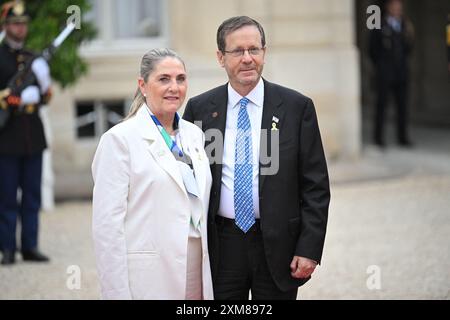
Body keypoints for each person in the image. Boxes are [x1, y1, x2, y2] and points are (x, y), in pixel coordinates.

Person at [183, 16, 330, 300]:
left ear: (264, 52)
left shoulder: (296, 108)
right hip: (221, 246)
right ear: (220, 57)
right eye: (238, 51)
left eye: (255, 49)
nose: (248, 58)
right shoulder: (199, 110)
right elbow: (184, 184)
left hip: (278, 245)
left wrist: (309, 248)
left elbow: (316, 186)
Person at [92, 48, 214, 300]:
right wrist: (116, 293)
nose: (174, 87)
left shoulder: (194, 135)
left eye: (181, 79)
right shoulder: (119, 140)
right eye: (164, 79)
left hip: (197, 270)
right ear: (143, 85)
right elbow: (107, 227)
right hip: (149, 276)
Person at [0, 0, 51, 265]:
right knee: (7, 195)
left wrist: (44, 86)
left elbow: (45, 97)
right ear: (5, 25)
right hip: (6, 136)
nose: (20, 28)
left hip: (33, 133)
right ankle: (7, 248)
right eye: (15, 23)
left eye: (23, 24)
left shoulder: (34, 58)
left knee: (32, 194)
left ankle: (30, 246)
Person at [369, 0, 414, 147]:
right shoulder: (378, 24)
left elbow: (409, 46)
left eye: (399, 7)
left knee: (402, 106)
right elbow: (372, 48)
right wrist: (380, 65)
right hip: (385, 72)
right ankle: (378, 138)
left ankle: (403, 137)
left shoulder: (405, 25)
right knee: (381, 106)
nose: (397, 9)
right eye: (395, 6)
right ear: (388, 7)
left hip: (401, 72)